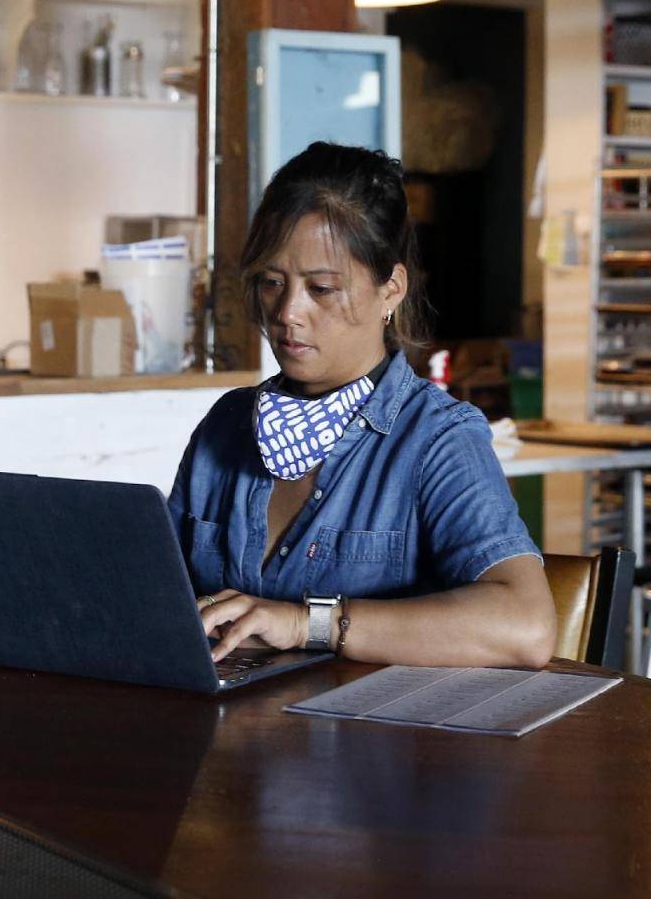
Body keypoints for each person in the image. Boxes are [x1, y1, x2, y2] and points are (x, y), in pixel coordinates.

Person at [168, 141, 555, 668]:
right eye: (271, 283)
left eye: (322, 289)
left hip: (370, 744)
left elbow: (526, 628)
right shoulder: (227, 425)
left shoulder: (437, 439)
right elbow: (163, 596)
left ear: (391, 289)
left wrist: (306, 623)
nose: (288, 313)